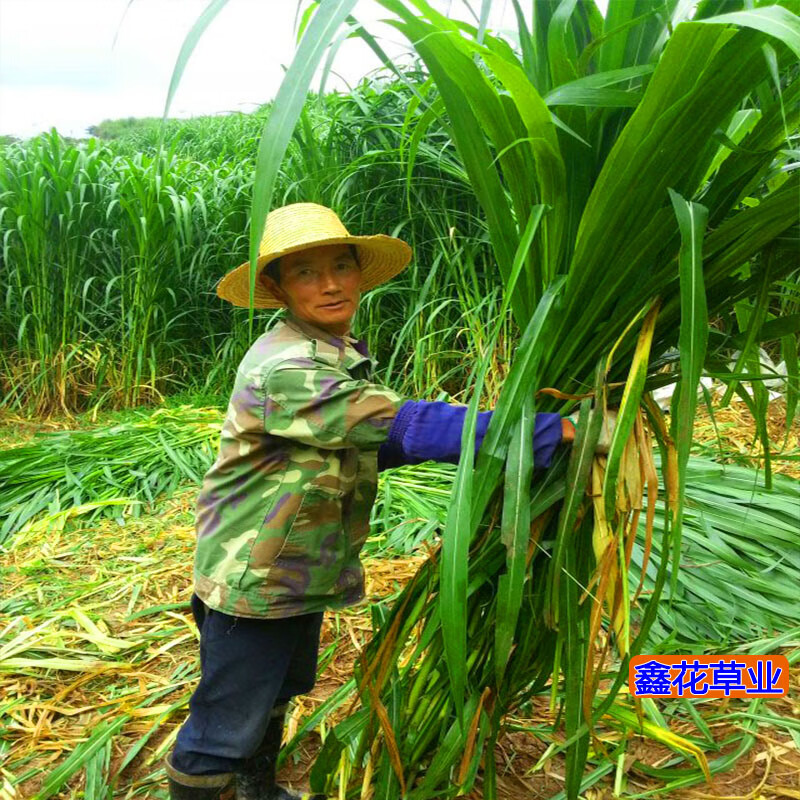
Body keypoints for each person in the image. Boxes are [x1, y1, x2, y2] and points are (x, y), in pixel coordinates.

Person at [164, 203, 599, 800]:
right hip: (254, 573)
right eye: (306, 273)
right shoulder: (289, 366)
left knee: (274, 691)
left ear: (360, 274)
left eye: (342, 266)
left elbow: (367, 445)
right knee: (223, 724)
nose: (331, 284)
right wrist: (553, 433)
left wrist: (475, 439)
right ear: (275, 286)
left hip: (294, 560)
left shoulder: (326, 351)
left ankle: (254, 792)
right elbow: (397, 427)